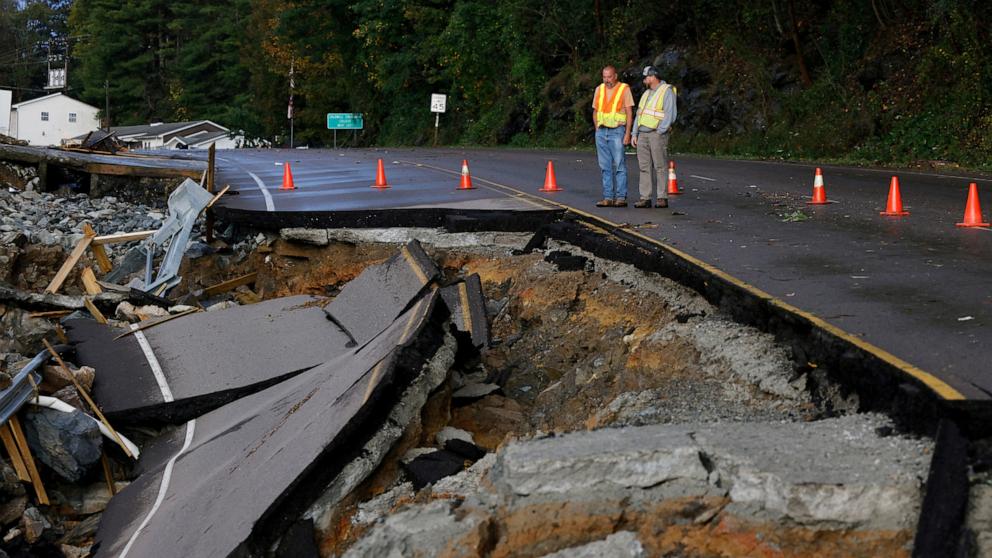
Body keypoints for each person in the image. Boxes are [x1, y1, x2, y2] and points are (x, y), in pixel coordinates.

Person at [631, 65, 677, 208]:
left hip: (657, 134)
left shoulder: (666, 91)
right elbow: (639, 114)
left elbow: (670, 114)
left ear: (653, 76)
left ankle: (662, 197)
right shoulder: (646, 94)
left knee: (660, 166)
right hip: (643, 134)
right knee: (644, 166)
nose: (644, 80)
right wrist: (635, 133)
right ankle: (645, 197)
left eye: (646, 77)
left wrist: (660, 131)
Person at [592, 65, 634, 207]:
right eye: (604, 77)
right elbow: (595, 111)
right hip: (602, 132)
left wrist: (628, 133)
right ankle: (608, 197)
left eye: (609, 77)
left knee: (619, 165)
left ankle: (621, 197)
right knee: (605, 166)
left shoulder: (624, 89)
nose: (607, 80)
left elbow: (629, 112)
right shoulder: (599, 89)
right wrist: (597, 128)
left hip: (617, 131)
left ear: (615, 76)